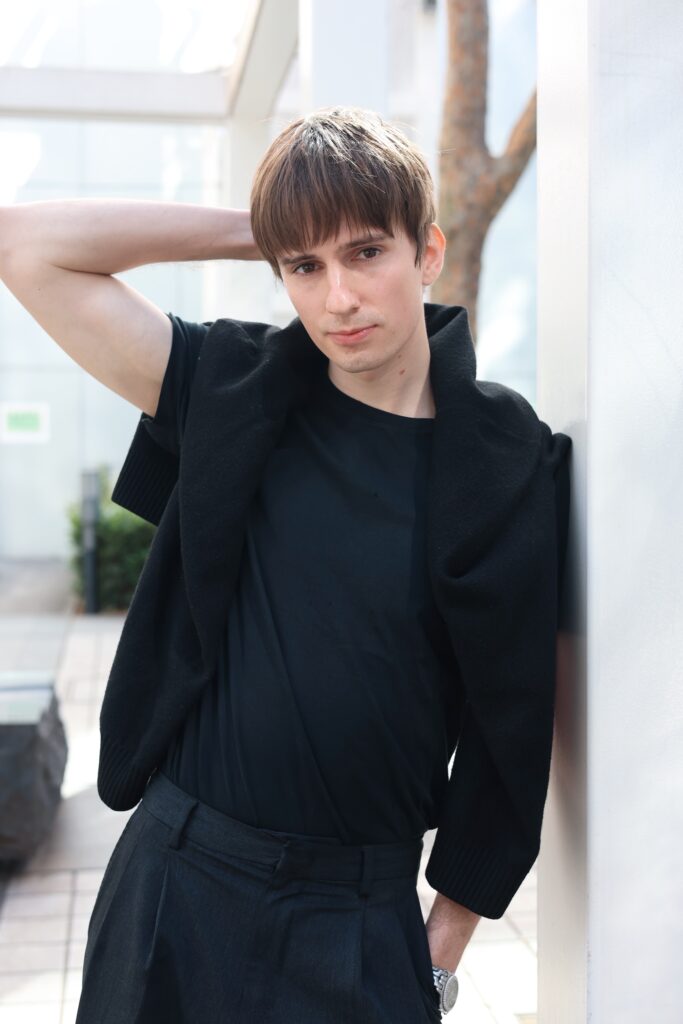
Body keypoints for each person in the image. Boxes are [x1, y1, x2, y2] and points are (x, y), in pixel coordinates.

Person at [0, 106, 571, 1023]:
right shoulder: (234, 386)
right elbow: (24, 246)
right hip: (178, 885)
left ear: (426, 251)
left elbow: (515, 719)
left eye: (364, 252)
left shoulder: (508, 462)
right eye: (304, 266)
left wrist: (440, 947)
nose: (338, 297)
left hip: (360, 922)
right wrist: (262, 229)